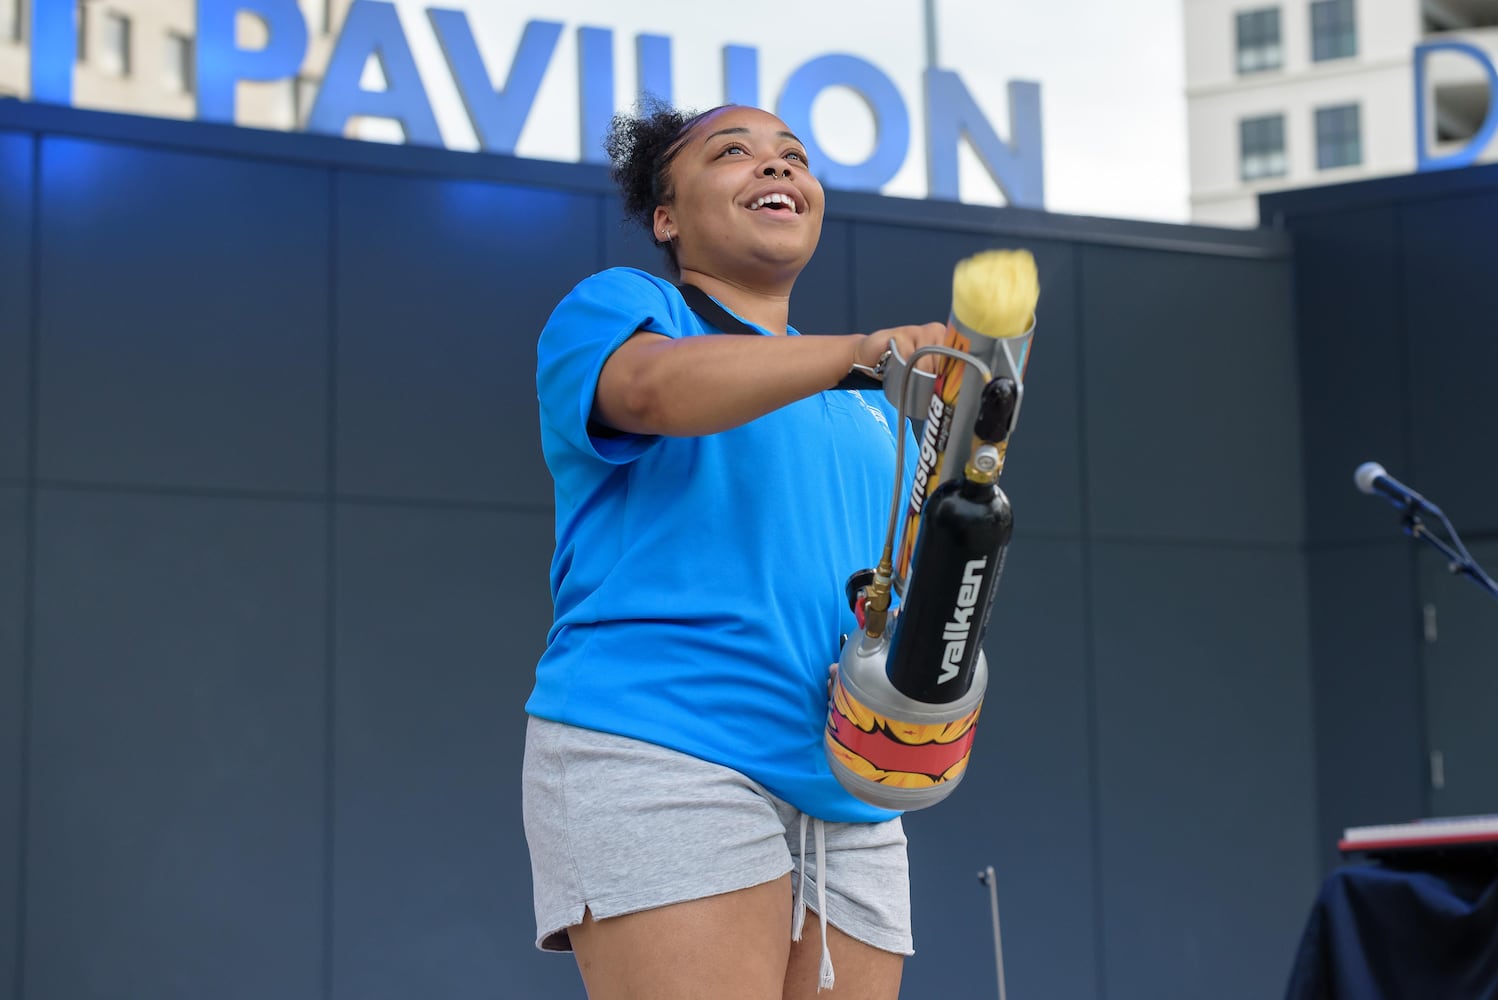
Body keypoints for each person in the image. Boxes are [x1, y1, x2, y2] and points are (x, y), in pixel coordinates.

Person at [523, 101, 951, 1000]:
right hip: (663, 746)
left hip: (849, 782)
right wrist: (865, 352)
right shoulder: (628, 309)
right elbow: (651, 393)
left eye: (794, 156)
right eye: (734, 153)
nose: (776, 168)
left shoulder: (877, 404)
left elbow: (894, 592)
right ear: (666, 217)